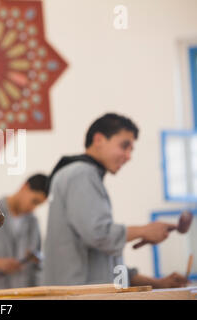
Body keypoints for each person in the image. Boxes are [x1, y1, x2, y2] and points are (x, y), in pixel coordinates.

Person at [42, 113, 189, 288]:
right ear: (99, 140)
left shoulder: (82, 175)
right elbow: (99, 234)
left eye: (131, 150)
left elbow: (104, 261)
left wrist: (158, 283)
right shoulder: (82, 174)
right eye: (124, 146)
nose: (128, 156)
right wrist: (144, 230)